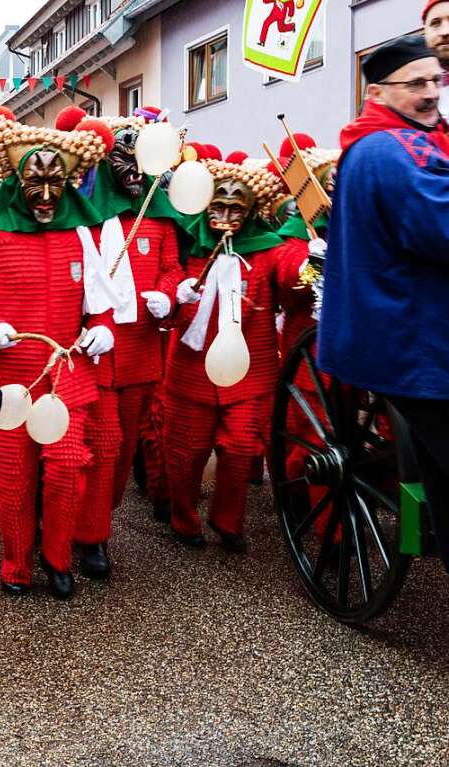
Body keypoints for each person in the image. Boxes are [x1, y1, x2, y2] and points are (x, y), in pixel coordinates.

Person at [0, 106, 114, 599]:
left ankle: (58, 558)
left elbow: (99, 299)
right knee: (12, 477)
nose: (48, 195)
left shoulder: (80, 233)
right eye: (36, 182)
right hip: (12, 373)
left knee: (68, 465)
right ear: (16, 180)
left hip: (67, 372)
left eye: (57, 182)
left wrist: (102, 328)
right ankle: (15, 563)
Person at [318, 35, 449, 571]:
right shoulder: (387, 150)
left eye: (435, 80)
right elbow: (438, 228)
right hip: (416, 342)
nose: (430, 94)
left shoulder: (413, 141)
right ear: (377, 92)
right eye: (414, 83)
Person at [165, 151, 306, 553]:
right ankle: (183, 518)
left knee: (243, 448)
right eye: (218, 205)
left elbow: (293, 278)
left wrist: (311, 261)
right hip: (191, 372)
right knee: (186, 454)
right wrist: (173, 296)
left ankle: (228, 521)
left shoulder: (267, 250)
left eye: (235, 207)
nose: (226, 214)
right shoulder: (188, 246)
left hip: (250, 372)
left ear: (250, 210)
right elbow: (168, 288)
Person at [71, 109, 186, 576]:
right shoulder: (85, 221)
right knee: (102, 443)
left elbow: (174, 269)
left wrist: (169, 293)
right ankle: (91, 535)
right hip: (94, 352)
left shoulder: (157, 222)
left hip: (141, 352)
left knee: (119, 454)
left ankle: (95, 516)